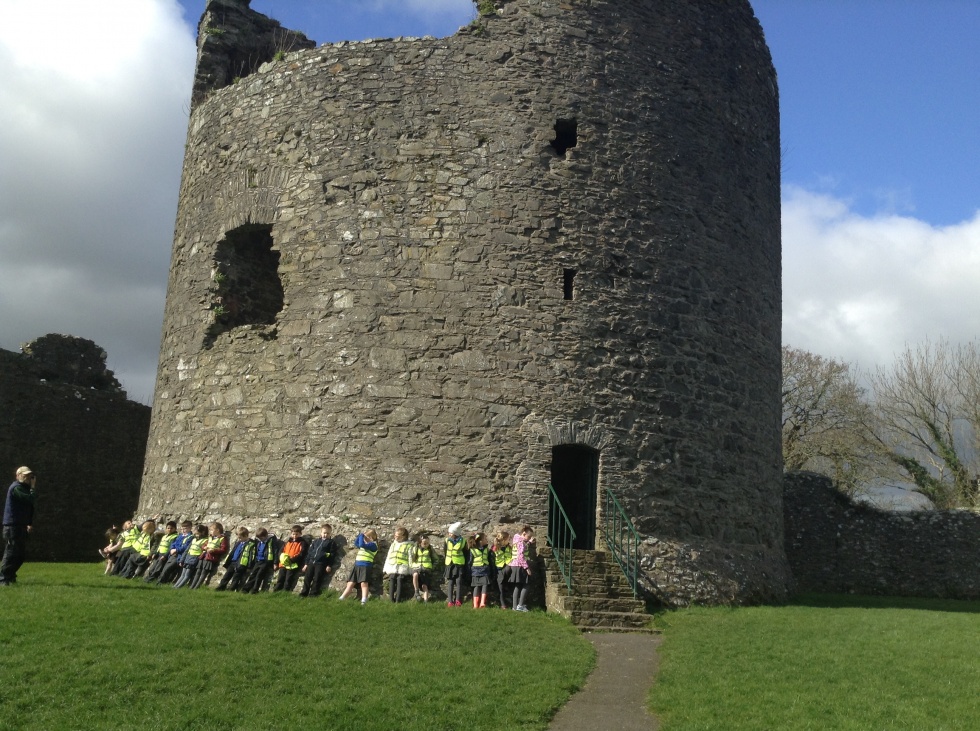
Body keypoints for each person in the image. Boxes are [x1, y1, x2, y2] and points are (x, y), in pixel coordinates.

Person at [1, 466, 38, 585]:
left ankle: (10, 576)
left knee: (20, 555)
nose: (27, 478)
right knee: (11, 553)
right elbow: (30, 499)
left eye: (29, 476)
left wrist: (29, 523)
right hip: (12, 526)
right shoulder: (16, 488)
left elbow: (29, 507)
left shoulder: (23, 488)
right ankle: (3, 578)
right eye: (25, 475)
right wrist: (33, 487)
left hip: (20, 526)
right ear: (18, 476)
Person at [338, 528, 378, 604]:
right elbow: (357, 543)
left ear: (371, 538)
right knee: (350, 583)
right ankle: (342, 598)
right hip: (357, 565)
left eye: (366, 537)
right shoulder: (365, 545)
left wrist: (362, 536)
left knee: (364, 583)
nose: (364, 539)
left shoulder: (373, 545)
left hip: (365, 566)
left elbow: (360, 544)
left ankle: (364, 600)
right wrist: (361, 536)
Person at [299, 523, 336, 598]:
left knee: (317, 578)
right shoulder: (316, 541)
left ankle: (313, 594)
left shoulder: (331, 543)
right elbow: (310, 552)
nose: (325, 535)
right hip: (311, 562)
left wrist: (329, 565)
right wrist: (306, 564)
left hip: (321, 563)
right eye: (324, 533)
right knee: (307, 578)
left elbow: (332, 555)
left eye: (327, 533)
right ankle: (304, 593)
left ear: (330, 533)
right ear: (321, 533)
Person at [215, 526, 255, 591]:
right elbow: (233, 552)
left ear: (245, 536)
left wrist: (249, 566)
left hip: (241, 563)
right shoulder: (238, 542)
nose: (239, 539)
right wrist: (228, 561)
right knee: (227, 576)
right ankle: (221, 587)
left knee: (236, 578)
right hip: (233, 562)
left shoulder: (250, 544)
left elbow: (251, 556)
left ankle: (231, 589)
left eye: (240, 538)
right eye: (238, 537)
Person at [154, 520, 193, 585]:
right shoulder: (180, 535)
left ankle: (161, 582)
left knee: (168, 569)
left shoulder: (190, 537)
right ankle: (162, 582)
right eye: (182, 529)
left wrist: (176, 550)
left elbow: (185, 547)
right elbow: (174, 543)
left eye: (185, 529)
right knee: (166, 569)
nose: (183, 530)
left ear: (190, 528)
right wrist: (172, 549)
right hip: (173, 554)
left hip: (179, 555)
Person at [190, 522, 228, 589]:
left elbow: (223, 549)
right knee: (198, 571)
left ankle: (196, 587)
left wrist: (213, 550)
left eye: (211, 530)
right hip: (204, 556)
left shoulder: (222, 538)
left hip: (210, 558)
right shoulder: (210, 537)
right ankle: (192, 586)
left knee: (203, 573)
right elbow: (204, 545)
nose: (210, 531)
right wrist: (204, 547)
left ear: (217, 530)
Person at [242, 528, 278, 593]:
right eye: (259, 538)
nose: (260, 540)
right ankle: (246, 589)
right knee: (253, 575)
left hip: (266, 561)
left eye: (262, 538)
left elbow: (275, 551)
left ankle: (255, 590)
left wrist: (275, 563)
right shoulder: (258, 540)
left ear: (266, 536)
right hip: (258, 560)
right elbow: (256, 550)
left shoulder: (271, 540)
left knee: (259, 575)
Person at [508, 525, 535, 612]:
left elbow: (522, 547)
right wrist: (527, 568)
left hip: (514, 566)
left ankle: (514, 607)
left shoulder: (517, 539)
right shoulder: (521, 543)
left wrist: (529, 542)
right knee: (526, 585)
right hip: (520, 566)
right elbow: (521, 556)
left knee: (517, 586)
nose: (529, 538)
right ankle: (520, 605)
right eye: (528, 536)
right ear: (524, 534)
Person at [273, 525, 307, 593]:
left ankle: (286, 590)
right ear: (291, 534)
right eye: (293, 534)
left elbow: (301, 553)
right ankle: (277, 589)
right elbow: (281, 551)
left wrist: (292, 559)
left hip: (292, 564)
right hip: (284, 563)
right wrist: (281, 558)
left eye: (297, 534)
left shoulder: (302, 543)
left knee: (288, 578)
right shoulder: (288, 542)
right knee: (281, 577)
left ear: (300, 534)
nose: (295, 536)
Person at [173, 524, 208, 588]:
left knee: (187, 575)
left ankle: (178, 588)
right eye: (196, 534)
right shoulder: (194, 539)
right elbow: (187, 550)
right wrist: (182, 560)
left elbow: (204, 551)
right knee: (182, 575)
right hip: (187, 558)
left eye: (198, 534)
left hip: (194, 559)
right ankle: (175, 586)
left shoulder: (205, 540)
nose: (196, 535)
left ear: (202, 532)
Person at [383, 526, 412, 603]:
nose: (395, 537)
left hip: (402, 567)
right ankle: (391, 599)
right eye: (395, 535)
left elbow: (410, 557)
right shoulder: (393, 544)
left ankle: (398, 600)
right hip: (392, 566)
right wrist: (385, 568)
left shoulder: (409, 545)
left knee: (400, 580)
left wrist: (410, 569)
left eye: (397, 536)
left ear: (403, 536)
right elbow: (389, 556)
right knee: (391, 580)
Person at [444, 521, 468, 607]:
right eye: (449, 533)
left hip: (459, 564)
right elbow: (445, 551)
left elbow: (465, 553)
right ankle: (450, 601)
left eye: (451, 533)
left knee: (458, 582)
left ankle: (458, 600)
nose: (449, 534)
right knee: (450, 582)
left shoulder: (463, 541)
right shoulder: (447, 541)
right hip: (450, 564)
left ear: (455, 533)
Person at [468, 532, 492, 608]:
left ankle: (482, 603)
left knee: (485, 585)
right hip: (475, 571)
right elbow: (469, 561)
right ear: (481, 541)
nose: (486, 539)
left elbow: (489, 559)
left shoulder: (486, 549)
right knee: (476, 587)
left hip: (485, 570)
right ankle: (475, 605)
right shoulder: (472, 550)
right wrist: (469, 571)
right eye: (485, 538)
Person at [410, 534, 435, 602]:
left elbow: (436, 559)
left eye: (427, 543)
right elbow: (411, 558)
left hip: (426, 570)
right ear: (420, 543)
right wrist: (411, 566)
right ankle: (416, 592)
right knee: (415, 575)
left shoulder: (430, 549)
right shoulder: (415, 548)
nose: (426, 544)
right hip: (416, 568)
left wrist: (432, 567)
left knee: (424, 586)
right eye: (424, 543)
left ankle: (426, 601)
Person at [491, 531, 512, 608]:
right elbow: (492, 559)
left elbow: (511, 556)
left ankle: (505, 583)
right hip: (498, 569)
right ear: (503, 540)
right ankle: (503, 604)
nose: (509, 541)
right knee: (501, 587)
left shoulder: (509, 547)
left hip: (507, 566)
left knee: (508, 570)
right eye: (508, 539)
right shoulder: (495, 548)